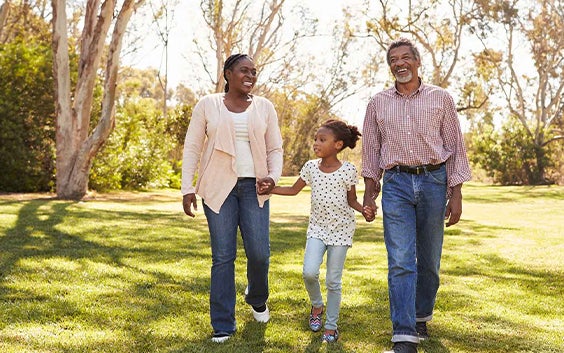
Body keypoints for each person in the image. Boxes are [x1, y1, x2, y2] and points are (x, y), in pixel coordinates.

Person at [361, 38, 472, 353]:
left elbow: (455, 149)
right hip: (395, 183)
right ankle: (404, 334)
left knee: (429, 262)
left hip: (434, 181)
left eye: (405, 57)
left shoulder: (441, 99)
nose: (400, 63)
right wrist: (369, 195)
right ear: (390, 66)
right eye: (393, 59)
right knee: (400, 260)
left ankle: (421, 315)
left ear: (417, 61)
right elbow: (371, 153)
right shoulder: (377, 103)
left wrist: (456, 194)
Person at [181, 53, 283, 343]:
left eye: (254, 71)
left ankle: (256, 297)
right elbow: (192, 147)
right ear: (227, 73)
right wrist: (187, 187)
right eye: (243, 70)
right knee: (223, 257)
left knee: (259, 254)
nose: (250, 75)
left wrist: (273, 177)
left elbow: (275, 148)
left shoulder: (265, 107)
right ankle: (223, 324)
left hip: (255, 188)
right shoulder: (208, 104)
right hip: (218, 187)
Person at [264, 119, 373, 343]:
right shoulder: (311, 167)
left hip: (342, 230)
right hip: (317, 228)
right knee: (309, 272)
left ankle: (331, 327)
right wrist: (271, 189)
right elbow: (294, 190)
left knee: (334, 280)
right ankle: (316, 305)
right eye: (315, 139)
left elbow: (352, 200)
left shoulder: (349, 170)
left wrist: (365, 210)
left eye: (322, 140)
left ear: (338, 144)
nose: (316, 143)